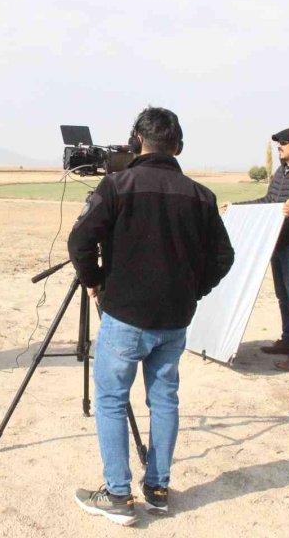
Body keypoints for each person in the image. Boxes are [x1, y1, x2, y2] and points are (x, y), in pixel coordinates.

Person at [69, 107, 234, 526]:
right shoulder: (201, 195)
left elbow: (80, 240)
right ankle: (157, 489)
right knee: (163, 400)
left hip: (125, 315)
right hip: (175, 320)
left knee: (110, 399)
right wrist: (193, 289)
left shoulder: (117, 185)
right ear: (177, 146)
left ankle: (119, 495)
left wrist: (95, 282)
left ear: (136, 141)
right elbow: (223, 257)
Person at [229, 127, 289, 372]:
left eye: (283, 143)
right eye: (278, 143)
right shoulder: (281, 172)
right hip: (275, 242)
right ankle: (288, 340)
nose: (279, 146)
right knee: (283, 296)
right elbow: (268, 202)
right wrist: (236, 207)